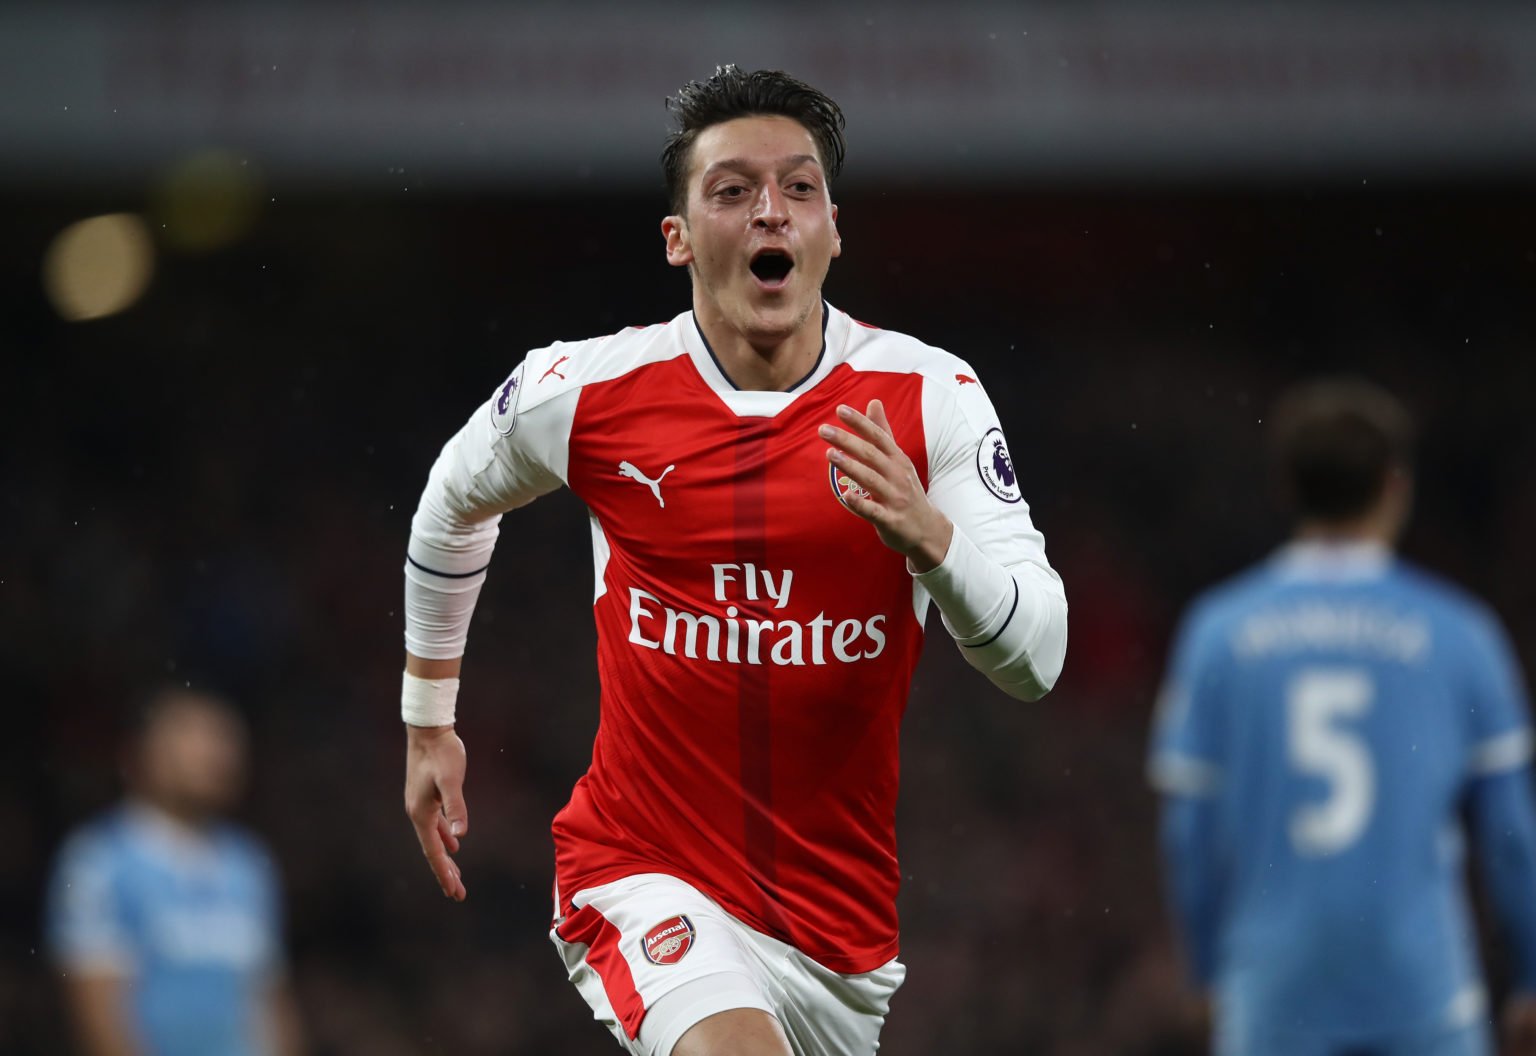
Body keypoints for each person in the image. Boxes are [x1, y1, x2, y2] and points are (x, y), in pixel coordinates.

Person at [399, 66, 1067, 1056]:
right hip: (639, 867)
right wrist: (427, 719)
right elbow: (452, 503)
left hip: (839, 935)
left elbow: (1039, 659)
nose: (770, 213)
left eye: (799, 189)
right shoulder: (585, 390)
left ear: (833, 230)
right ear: (678, 239)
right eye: (732, 191)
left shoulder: (931, 400)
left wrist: (931, 539)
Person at [1148, 378, 1536, 1056]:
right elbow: (1510, 837)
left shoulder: (1218, 632)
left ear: (1286, 488)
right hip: (1423, 991)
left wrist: (1205, 974)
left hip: (1275, 988)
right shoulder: (1462, 635)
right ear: (1396, 485)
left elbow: (1189, 833)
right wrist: (1531, 975)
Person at [45, 686, 304, 1056]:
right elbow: (98, 1014)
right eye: (193, 734)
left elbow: (268, 1000)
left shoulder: (249, 865)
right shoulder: (98, 861)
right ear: (140, 751)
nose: (215, 752)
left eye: (225, 738)